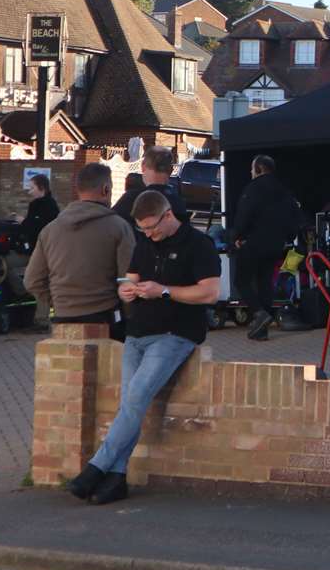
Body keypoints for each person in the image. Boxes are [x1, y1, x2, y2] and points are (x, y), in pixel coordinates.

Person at [64, 189, 219, 506]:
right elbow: (127, 279)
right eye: (143, 230)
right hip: (137, 333)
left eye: (152, 227)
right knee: (129, 406)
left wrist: (163, 291)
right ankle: (117, 478)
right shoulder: (145, 244)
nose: (149, 234)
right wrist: (128, 290)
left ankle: (97, 467)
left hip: (174, 334)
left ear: (167, 215)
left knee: (135, 399)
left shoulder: (199, 245)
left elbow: (209, 293)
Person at [25, 163, 134, 341]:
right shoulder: (119, 227)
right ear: (106, 189)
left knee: (69, 368)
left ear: (78, 189)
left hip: (63, 318)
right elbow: (128, 280)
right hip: (105, 318)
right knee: (108, 368)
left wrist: (58, 301)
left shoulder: (50, 230)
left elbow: (32, 280)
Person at [228, 154, 301, 342]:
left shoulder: (253, 189)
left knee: (241, 281)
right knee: (265, 283)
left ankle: (259, 314)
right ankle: (262, 329)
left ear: (259, 169)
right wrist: (287, 236)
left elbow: (244, 215)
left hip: (253, 242)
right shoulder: (283, 190)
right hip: (275, 244)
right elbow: (294, 216)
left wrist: (235, 237)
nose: (251, 172)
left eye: (253, 169)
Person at [111, 146, 189, 230]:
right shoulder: (178, 203)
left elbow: (109, 226)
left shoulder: (130, 199)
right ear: (171, 170)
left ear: (143, 166)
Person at [18, 173, 60, 252]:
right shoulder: (36, 204)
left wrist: (23, 221)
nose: (29, 192)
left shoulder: (49, 206)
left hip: (41, 249)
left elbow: (37, 228)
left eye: (32, 188)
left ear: (42, 188)